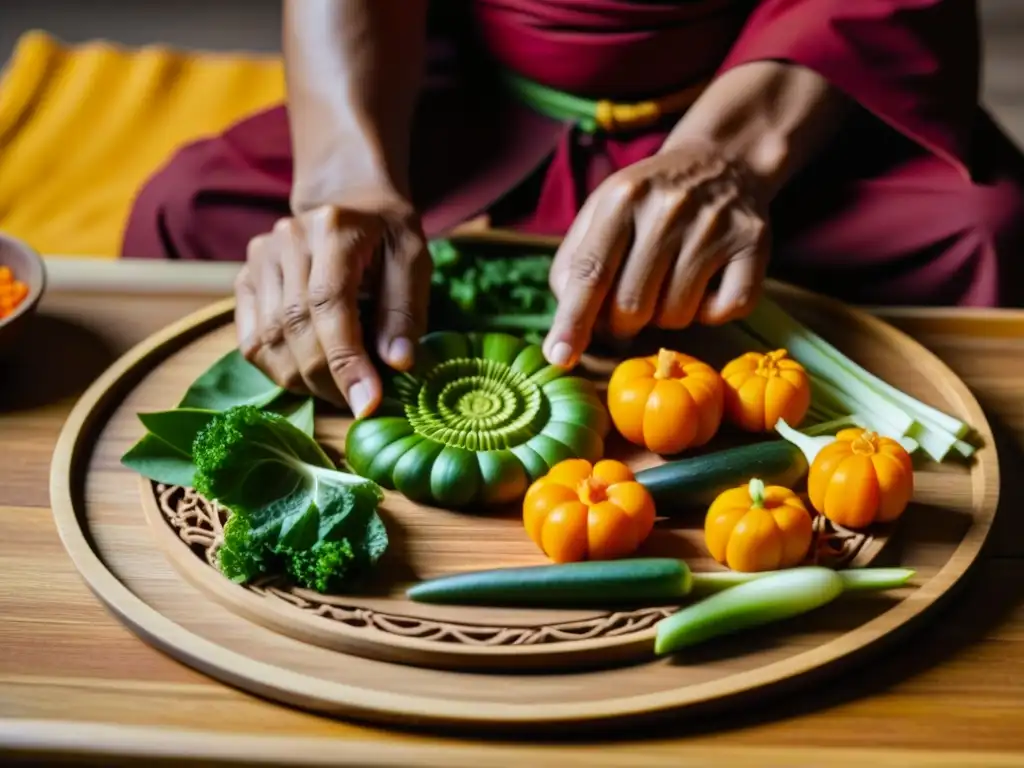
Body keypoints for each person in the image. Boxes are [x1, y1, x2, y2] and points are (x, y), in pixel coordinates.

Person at [121, 0, 1024, 419]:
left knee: (986, 237)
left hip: (763, 86)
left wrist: (730, 156)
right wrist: (343, 184)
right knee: (187, 211)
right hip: (464, 97)